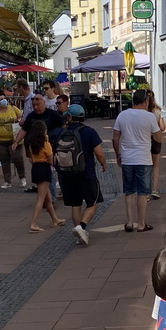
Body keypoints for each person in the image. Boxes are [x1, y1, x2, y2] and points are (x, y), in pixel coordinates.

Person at [55, 103, 107, 246]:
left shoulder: (62, 132)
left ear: (70, 117)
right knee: (93, 203)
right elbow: (99, 153)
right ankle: (81, 227)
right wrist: (104, 164)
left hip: (67, 174)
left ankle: (80, 236)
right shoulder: (89, 132)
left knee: (75, 205)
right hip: (86, 173)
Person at [112, 90, 163, 232]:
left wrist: (118, 155)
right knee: (142, 192)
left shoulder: (122, 115)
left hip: (127, 158)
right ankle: (141, 223)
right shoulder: (150, 117)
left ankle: (129, 222)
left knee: (129, 191)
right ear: (146, 101)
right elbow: (158, 138)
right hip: (143, 159)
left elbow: (115, 137)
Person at [12, 94, 63, 193]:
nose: (36, 107)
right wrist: (16, 141)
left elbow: (63, 127)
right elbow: (24, 130)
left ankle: (58, 192)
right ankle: (47, 196)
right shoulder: (31, 116)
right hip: (36, 149)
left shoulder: (52, 114)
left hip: (52, 146)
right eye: (34, 105)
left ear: (44, 103)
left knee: (55, 170)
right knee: (44, 173)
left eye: (38, 104)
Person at [26, 119, 64, 233]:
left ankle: (55, 219)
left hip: (36, 168)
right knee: (41, 198)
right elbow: (51, 160)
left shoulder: (32, 144)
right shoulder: (46, 144)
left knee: (47, 198)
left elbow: (31, 159)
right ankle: (33, 223)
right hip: (44, 169)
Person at [0, 91, 26, 189]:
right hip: (0, 141)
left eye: (4, 98)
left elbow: (21, 118)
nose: (4, 100)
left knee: (17, 158)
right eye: (1, 99)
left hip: (14, 139)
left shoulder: (13, 108)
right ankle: (7, 181)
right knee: (4, 161)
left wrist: (19, 121)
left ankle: (22, 178)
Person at [146, 90, 166, 200]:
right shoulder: (157, 110)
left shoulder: (142, 111)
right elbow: (163, 128)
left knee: (146, 167)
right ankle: (154, 190)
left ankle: (146, 192)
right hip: (156, 140)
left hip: (144, 141)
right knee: (155, 166)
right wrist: (161, 117)